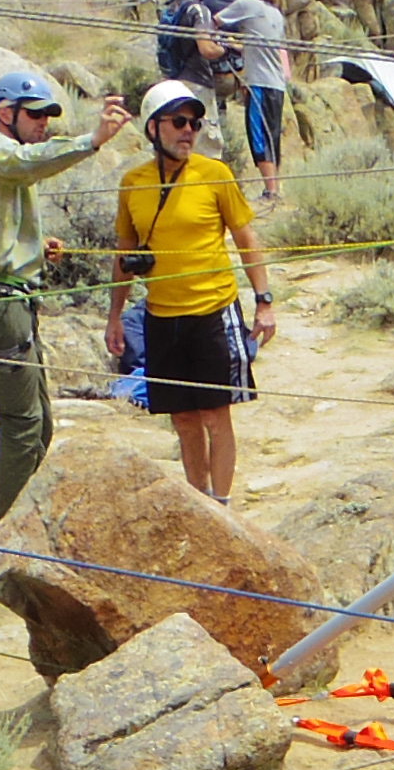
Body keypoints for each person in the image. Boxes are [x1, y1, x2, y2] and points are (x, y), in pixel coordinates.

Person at [0, 66, 131, 519]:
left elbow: (3, 216)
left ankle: (26, 529)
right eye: (34, 115)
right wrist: (91, 140)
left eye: (47, 116)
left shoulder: (8, 157)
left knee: (42, 424)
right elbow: (31, 165)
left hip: (15, 301)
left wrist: (36, 244)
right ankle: (12, 545)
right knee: (21, 424)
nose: (43, 123)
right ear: (4, 112)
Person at [108, 79, 275, 501]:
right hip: (162, 315)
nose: (189, 130)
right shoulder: (133, 183)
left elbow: (246, 238)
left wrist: (264, 302)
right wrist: (115, 317)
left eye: (195, 123)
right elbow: (123, 254)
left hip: (214, 311)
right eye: (179, 121)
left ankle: (221, 504)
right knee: (182, 418)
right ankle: (197, 499)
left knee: (216, 415)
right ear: (153, 129)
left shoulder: (215, 174)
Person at [222, 0, 294, 200]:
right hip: (277, 84)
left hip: (259, 83)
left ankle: (270, 190)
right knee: (271, 133)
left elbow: (216, 20)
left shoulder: (248, 5)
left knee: (258, 136)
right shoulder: (276, 14)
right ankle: (275, 187)